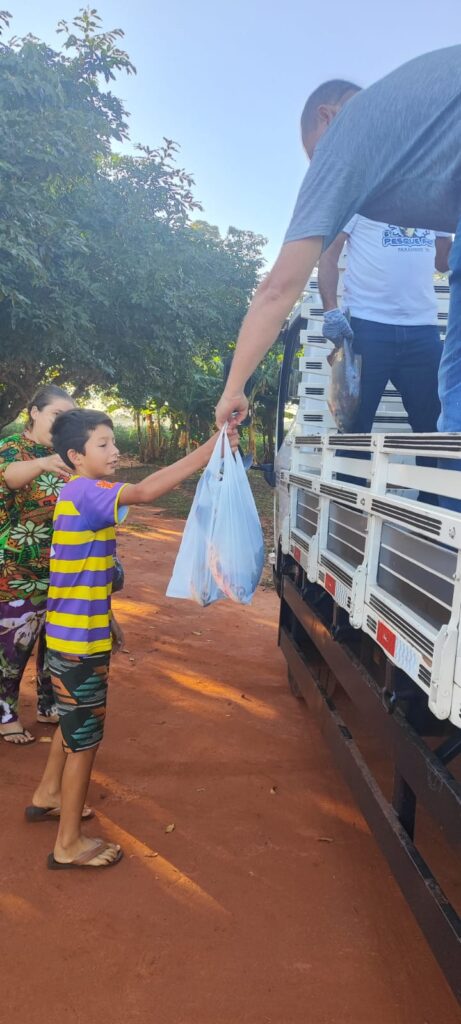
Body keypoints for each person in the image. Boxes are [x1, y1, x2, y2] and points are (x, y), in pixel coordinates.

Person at [28, 409, 238, 870]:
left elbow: (86, 571)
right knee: (85, 738)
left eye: (113, 442)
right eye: (103, 444)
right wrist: (209, 449)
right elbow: (145, 491)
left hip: (73, 629)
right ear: (75, 456)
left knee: (71, 718)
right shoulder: (85, 490)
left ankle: (48, 793)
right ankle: (68, 845)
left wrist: (109, 617)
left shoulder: (80, 492)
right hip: (78, 641)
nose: (115, 450)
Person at [215, 48, 461, 433]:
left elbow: (278, 289)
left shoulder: (351, 131)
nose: (321, 171)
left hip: (421, 326)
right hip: (371, 324)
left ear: (327, 117)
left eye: (317, 156)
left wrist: (234, 388)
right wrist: (333, 310)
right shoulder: (412, 131)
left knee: (445, 421)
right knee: (386, 424)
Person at [318, 215, 451, 435]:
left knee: (432, 428)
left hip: (423, 329)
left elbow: (442, 262)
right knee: (352, 425)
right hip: (366, 327)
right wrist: (330, 309)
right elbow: (329, 253)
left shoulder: (433, 201)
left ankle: (429, 471)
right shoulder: (362, 195)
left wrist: (451, 226)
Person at [0, 384, 75, 744]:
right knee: (15, 645)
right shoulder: (13, 447)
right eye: (56, 416)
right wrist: (44, 462)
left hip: (61, 570)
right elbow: (9, 477)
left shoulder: (69, 455)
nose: (61, 425)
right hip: (17, 570)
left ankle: (48, 705)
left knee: (55, 643)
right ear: (34, 412)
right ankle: (6, 714)